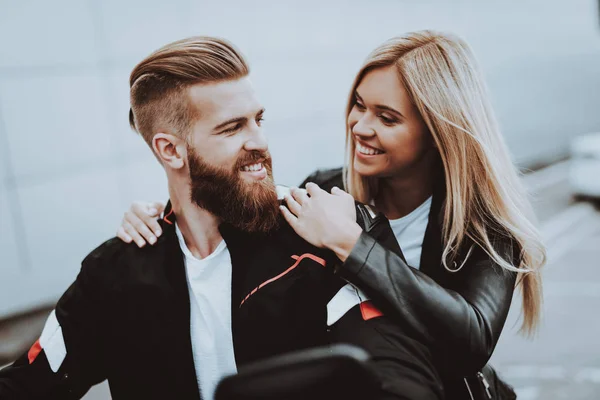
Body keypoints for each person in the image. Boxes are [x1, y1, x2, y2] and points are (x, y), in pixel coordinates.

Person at [0, 36, 444, 400]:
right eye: (233, 128)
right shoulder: (113, 274)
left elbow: (399, 371)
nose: (260, 142)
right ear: (169, 150)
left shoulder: (323, 234)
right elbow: (27, 384)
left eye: (259, 120)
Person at [121, 31, 545, 399]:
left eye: (387, 117)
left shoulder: (487, 226)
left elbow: (470, 339)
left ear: (439, 132)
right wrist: (162, 215)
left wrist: (350, 243)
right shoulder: (325, 187)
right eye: (359, 105)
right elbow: (230, 213)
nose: (360, 126)